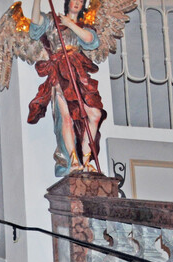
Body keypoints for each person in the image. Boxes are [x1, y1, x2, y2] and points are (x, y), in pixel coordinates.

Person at [28, 0, 106, 175]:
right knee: (66, 117)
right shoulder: (52, 21)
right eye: (74, 0)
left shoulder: (82, 26)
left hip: (77, 72)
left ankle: (86, 160)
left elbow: (91, 40)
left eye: (80, 1)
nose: (77, 3)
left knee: (94, 114)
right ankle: (73, 161)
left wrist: (70, 24)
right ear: (68, 2)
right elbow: (35, 23)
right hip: (59, 72)